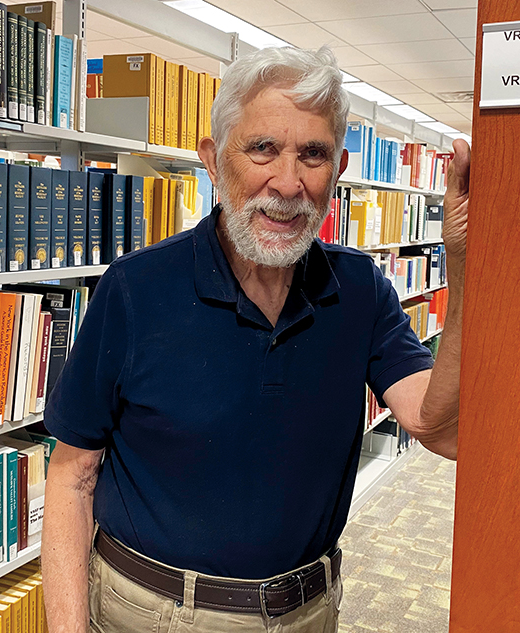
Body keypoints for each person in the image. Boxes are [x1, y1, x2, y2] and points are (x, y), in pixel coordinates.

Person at [41, 45, 469, 633]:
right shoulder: (135, 291)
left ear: (339, 169)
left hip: (307, 613)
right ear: (215, 163)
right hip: (152, 615)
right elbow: (72, 474)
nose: (288, 183)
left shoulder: (360, 289)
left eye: (312, 154)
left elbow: (440, 428)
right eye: (263, 148)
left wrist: (470, 277)